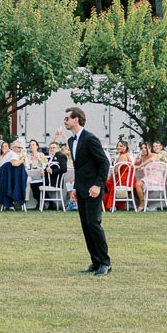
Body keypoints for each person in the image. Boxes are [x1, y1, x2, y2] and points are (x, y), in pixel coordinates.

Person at [63, 107, 111, 276]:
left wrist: (98, 185)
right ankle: (95, 261)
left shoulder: (90, 139)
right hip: (82, 189)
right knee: (85, 226)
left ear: (76, 119)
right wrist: (75, 188)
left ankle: (105, 262)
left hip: (94, 189)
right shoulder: (71, 141)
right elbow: (79, 168)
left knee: (94, 224)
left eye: (67, 118)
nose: (65, 121)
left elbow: (104, 163)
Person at [0, 139, 28, 210]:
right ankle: (18, 198)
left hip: (7, 179)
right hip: (5, 178)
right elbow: (14, 164)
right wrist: (22, 160)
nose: (20, 149)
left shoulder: (14, 154)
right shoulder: (13, 154)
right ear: (13, 148)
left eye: (21, 148)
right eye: (18, 147)